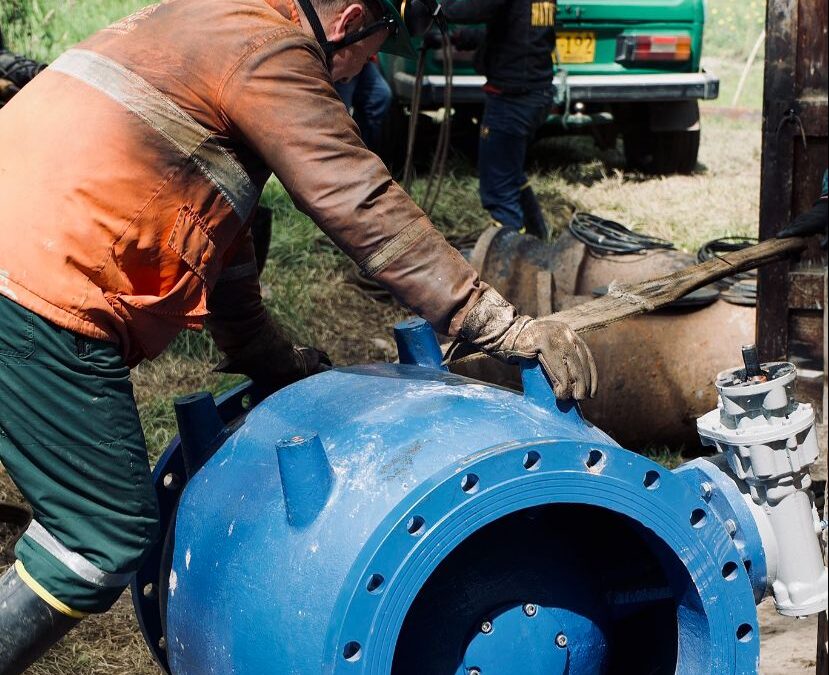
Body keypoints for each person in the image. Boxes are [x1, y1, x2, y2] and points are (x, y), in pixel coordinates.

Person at [0, 0, 596, 671]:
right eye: (377, 47)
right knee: (101, 531)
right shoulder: (270, 51)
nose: (368, 66)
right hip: (37, 283)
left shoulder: (208, 23)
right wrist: (497, 323)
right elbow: (357, 199)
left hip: (24, 256)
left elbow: (221, 246)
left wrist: (268, 360)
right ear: (347, 22)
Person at [407, 0, 556, 239]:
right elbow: (512, 30)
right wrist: (456, 38)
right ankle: (539, 240)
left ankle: (510, 258)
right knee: (510, 173)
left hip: (511, 101)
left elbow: (470, 8)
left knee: (498, 188)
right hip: (536, 94)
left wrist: (432, 6)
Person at [335, 56, 392, 153]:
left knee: (380, 95)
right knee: (340, 115)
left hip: (365, 60)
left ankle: (364, 153)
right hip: (343, 55)